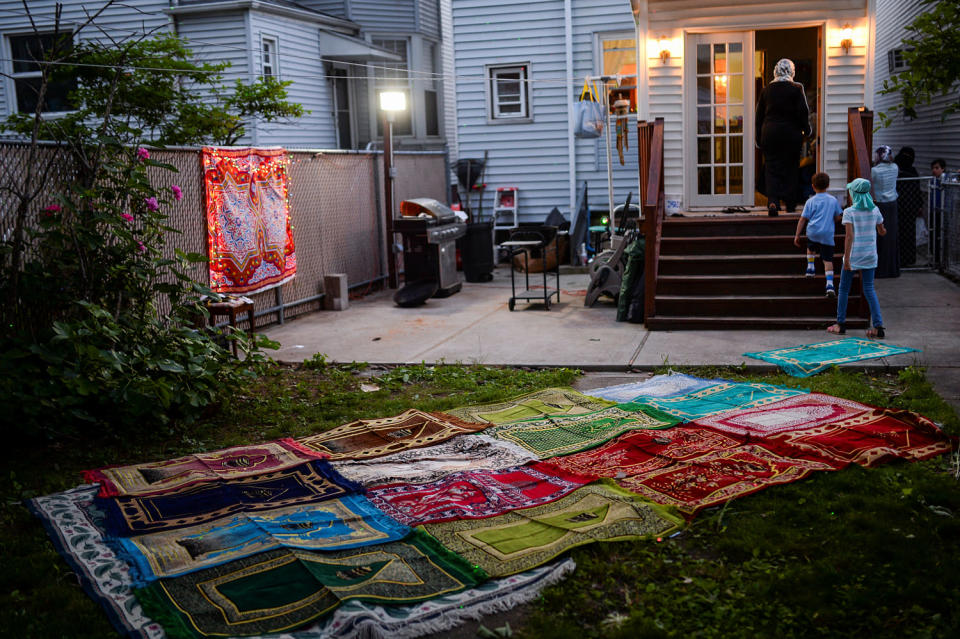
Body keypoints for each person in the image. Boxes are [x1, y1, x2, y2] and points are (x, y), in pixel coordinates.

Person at [828, 178, 887, 339]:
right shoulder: (875, 210)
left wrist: (846, 259)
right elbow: (882, 231)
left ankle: (840, 324)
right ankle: (878, 326)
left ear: (854, 194)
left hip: (854, 255)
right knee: (869, 288)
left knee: (844, 289)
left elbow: (849, 237)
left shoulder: (849, 212)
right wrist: (882, 231)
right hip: (870, 255)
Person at [755, 58, 811, 216]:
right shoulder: (796, 88)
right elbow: (803, 112)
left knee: (771, 167)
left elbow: (759, 116)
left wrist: (758, 138)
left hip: (770, 133)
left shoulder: (766, 90)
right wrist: (807, 131)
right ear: (792, 71)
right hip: (791, 134)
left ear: (775, 71)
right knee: (791, 167)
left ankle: (773, 201)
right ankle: (791, 203)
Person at [794, 172, 842, 298]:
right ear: (828, 185)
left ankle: (810, 268)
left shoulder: (810, 201)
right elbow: (838, 217)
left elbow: (803, 219)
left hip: (813, 232)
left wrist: (797, 235)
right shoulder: (833, 200)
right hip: (827, 233)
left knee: (810, 248)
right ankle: (830, 285)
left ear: (813, 186)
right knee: (827, 259)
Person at [871, 145, 899, 277]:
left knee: (879, 236)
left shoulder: (874, 171)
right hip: (893, 204)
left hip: (880, 204)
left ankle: (880, 269)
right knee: (891, 236)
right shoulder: (895, 168)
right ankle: (892, 269)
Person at [894, 147, 920, 265]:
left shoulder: (906, 171)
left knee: (906, 233)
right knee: (905, 233)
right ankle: (905, 258)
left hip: (905, 207)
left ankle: (906, 259)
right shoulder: (898, 171)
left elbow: (917, 191)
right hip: (905, 207)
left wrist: (919, 205)